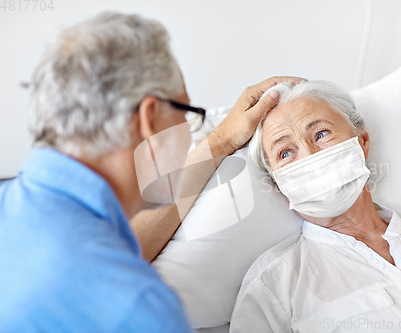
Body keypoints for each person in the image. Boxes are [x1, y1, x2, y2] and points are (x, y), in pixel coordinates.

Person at [0, 12, 303, 331]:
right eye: (187, 112)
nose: (188, 129)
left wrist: (222, 140)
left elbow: (118, 245)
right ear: (149, 117)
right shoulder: (142, 308)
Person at [230, 80, 401, 332]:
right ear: (277, 183)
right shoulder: (274, 285)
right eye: (285, 153)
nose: (310, 157)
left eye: (321, 133)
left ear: (362, 142)